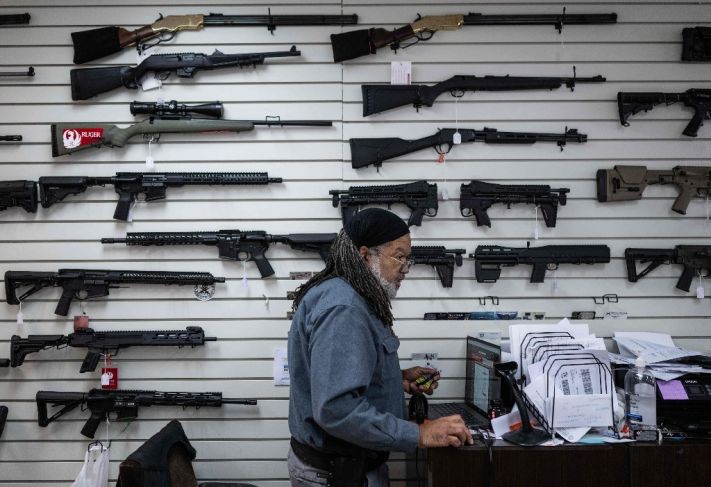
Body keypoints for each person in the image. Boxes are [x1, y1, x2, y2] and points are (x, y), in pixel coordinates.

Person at [287, 208, 472, 486]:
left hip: (347, 468)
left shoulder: (351, 295)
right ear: (365, 256)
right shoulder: (344, 309)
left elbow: (340, 377)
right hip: (338, 474)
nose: (405, 269)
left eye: (407, 259)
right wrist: (419, 433)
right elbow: (336, 409)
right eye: (399, 257)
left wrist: (396, 380)